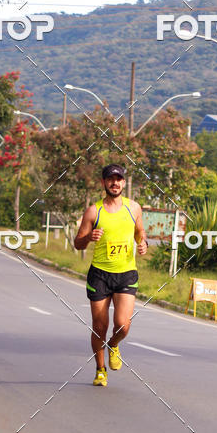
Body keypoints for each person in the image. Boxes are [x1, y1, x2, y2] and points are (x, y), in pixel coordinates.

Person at [74, 164, 147, 387]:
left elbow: (139, 231)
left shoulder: (133, 208)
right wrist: (89, 238)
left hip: (126, 273)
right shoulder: (93, 211)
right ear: (103, 183)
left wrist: (142, 242)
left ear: (124, 183)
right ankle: (100, 369)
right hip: (100, 275)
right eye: (110, 179)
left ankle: (113, 345)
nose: (115, 183)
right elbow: (77, 243)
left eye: (119, 179)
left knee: (123, 325)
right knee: (99, 326)